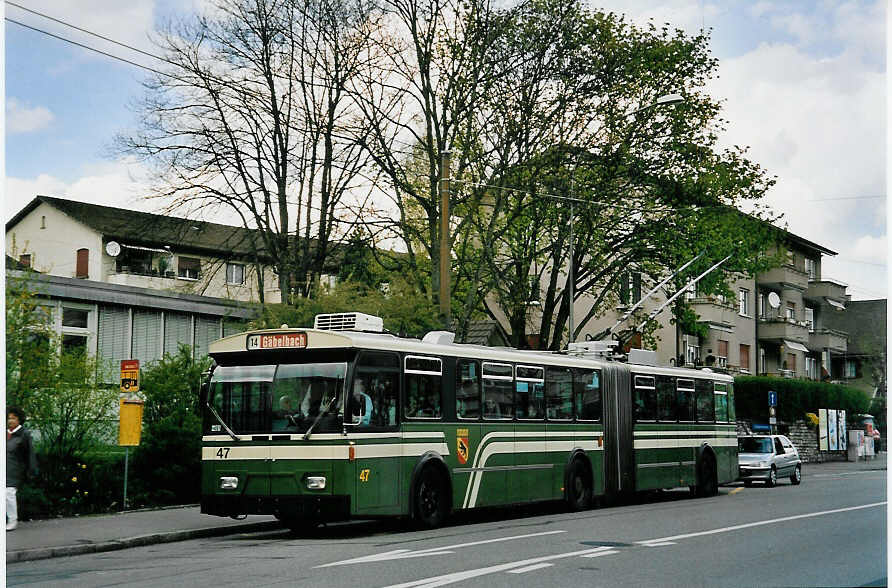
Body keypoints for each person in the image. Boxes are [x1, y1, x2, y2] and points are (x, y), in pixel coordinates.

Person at [6, 407, 38, 531]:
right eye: (9, 418)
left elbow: (30, 454)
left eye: (13, 418)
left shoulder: (24, 434)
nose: (10, 421)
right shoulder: (5, 433)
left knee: (8, 494)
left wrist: (31, 470)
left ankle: (12, 520)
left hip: (14, 470)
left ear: (19, 420)